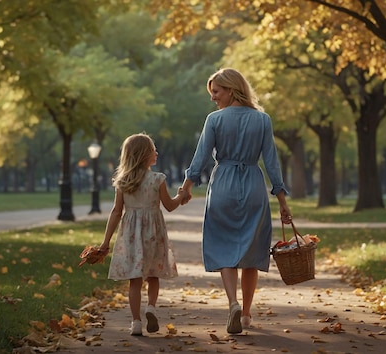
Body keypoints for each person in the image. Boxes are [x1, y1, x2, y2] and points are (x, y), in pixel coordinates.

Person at [180, 68, 292, 334]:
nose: (213, 98)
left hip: (223, 186)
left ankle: (232, 303)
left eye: (216, 92)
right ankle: (245, 315)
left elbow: (200, 159)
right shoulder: (262, 120)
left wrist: (186, 188)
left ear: (231, 90)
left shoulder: (214, 120)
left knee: (223, 246)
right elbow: (272, 164)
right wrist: (282, 201)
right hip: (253, 184)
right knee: (252, 253)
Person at [98, 133, 186, 336]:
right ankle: (151, 308)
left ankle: (136, 322)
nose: (156, 152)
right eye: (153, 149)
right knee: (154, 275)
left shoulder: (123, 181)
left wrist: (105, 242)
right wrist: (181, 195)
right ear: (143, 154)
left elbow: (116, 212)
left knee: (135, 280)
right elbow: (170, 206)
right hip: (154, 234)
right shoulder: (157, 179)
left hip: (130, 235)